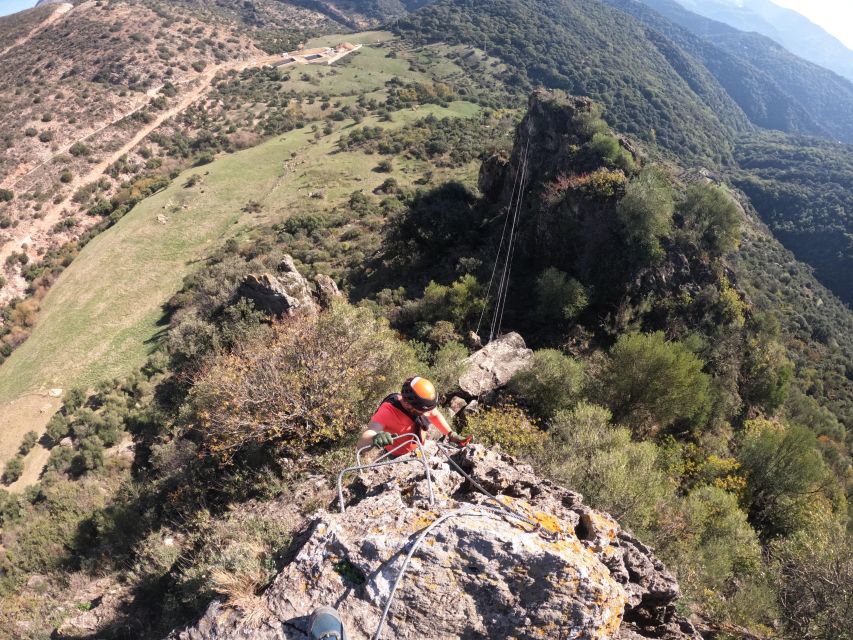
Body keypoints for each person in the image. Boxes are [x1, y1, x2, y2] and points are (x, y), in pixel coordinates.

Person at [357, 376, 469, 456]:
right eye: (421, 411)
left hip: (419, 449)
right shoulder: (388, 411)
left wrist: (451, 434)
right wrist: (375, 437)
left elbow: (435, 415)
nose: (426, 414)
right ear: (406, 403)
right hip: (397, 456)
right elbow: (365, 438)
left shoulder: (422, 405)